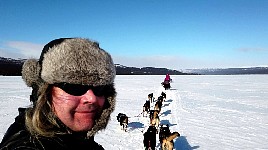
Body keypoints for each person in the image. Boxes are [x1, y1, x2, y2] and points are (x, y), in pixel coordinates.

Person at [0, 38, 117, 149]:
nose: (92, 98)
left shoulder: (79, 140)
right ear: (44, 92)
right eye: (75, 87)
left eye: (100, 88)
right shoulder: (26, 145)